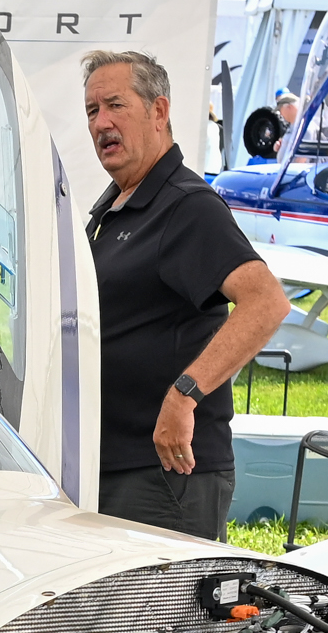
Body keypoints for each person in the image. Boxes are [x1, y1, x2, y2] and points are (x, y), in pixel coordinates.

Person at [78, 48, 289, 540]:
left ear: (159, 110)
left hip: (163, 475)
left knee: (158, 620)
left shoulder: (186, 205)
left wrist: (184, 395)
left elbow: (266, 302)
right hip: (109, 465)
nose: (101, 123)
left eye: (115, 105)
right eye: (92, 111)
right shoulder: (111, 210)